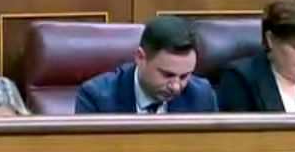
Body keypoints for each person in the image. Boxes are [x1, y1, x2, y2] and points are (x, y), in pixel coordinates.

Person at [74, 15, 217, 114]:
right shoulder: (96, 97)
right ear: (140, 58)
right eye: (168, 75)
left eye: (184, 76)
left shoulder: (201, 95)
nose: (176, 87)